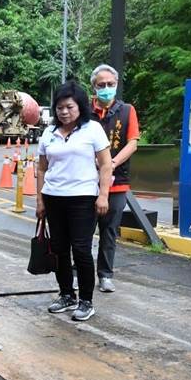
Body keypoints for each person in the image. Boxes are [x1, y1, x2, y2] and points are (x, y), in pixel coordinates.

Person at [36, 80, 113, 322]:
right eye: (60, 107)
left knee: (81, 250)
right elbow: (41, 168)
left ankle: (86, 300)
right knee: (59, 249)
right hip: (54, 198)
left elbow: (106, 164)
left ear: (79, 106)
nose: (64, 112)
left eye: (69, 107)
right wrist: (40, 200)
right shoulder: (49, 133)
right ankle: (66, 294)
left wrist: (103, 195)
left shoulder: (92, 129)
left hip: (83, 199)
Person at [90, 64, 140, 293]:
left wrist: (111, 164)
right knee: (83, 230)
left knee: (109, 231)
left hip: (117, 182)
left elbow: (133, 142)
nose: (107, 88)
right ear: (94, 87)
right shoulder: (84, 111)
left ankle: (105, 274)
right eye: (102, 85)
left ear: (116, 85)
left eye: (111, 84)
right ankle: (77, 270)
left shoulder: (127, 110)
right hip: (87, 181)